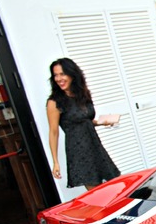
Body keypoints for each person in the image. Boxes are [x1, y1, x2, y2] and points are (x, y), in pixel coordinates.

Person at [46, 58, 119, 190]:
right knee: (96, 192)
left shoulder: (83, 94)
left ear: (72, 74)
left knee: (115, 183)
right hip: (78, 150)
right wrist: (55, 162)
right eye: (55, 75)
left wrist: (102, 123)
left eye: (62, 74)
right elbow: (53, 132)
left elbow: (84, 120)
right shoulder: (55, 102)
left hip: (95, 145)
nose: (58, 78)